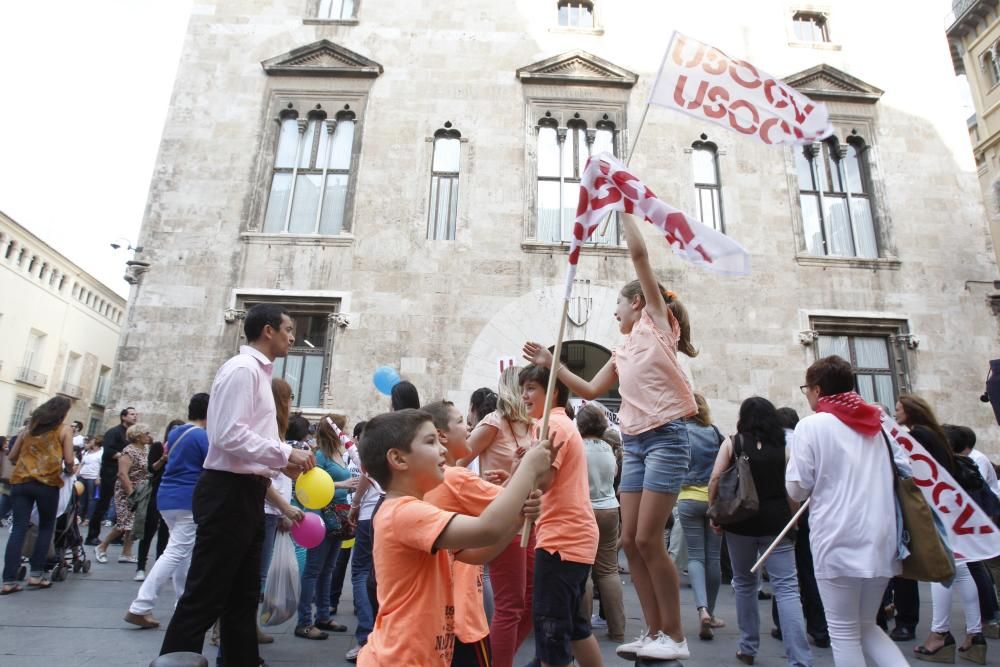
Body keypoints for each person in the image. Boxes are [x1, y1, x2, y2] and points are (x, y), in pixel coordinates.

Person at [523, 212, 697, 661]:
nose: (614, 311)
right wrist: (549, 361)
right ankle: (654, 629)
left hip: (666, 437)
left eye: (618, 304)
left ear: (638, 302)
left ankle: (675, 634)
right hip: (636, 442)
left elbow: (639, 255)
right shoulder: (621, 349)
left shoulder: (657, 324)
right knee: (629, 542)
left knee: (649, 539)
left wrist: (624, 209)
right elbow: (588, 390)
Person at [159, 303, 316, 666]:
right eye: (288, 329)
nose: (292, 337)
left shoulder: (258, 374)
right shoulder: (243, 370)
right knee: (206, 592)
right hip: (227, 492)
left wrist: (278, 462)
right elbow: (228, 435)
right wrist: (282, 452)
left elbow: (245, 440)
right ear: (268, 331)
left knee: (243, 594)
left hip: (246, 491)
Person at [356, 409, 550, 666]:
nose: (440, 449)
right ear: (398, 459)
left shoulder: (416, 507)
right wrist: (528, 469)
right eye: (430, 442)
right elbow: (487, 528)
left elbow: (477, 553)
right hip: (402, 658)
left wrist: (517, 519)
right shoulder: (404, 512)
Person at [786, 355, 909, 666]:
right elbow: (907, 469)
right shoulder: (880, 423)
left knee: (842, 630)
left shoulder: (812, 426)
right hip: (882, 537)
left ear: (817, 389)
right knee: (867, 625)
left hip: (837, 538)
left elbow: (796, 488)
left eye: (807, 388)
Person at [710, 397, 811, 666]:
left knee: (744, 584)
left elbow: (716, 479)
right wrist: (793, 519)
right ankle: (799, 658)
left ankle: (748, 647)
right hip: (777, 522)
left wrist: (715, 512)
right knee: (787, 588)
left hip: (740, 521)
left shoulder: (733, 442)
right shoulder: (785, 446)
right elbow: (792, 491)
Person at [518, 365, 602, 667]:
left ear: (551, 390)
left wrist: (521, 475)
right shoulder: (557, 425)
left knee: (552, 635)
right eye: (523, 388)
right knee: (575, 628)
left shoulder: (552, 427)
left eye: (531, 388)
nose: (524, 395)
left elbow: (544, 483)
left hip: (561, 542)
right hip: (572, 539)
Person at [423, 399, 512, 666]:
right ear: (441, 435)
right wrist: (528, 468)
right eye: (461, 422)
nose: (469, 427)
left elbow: (474, 550)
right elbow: (511, 506)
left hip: (443, 617)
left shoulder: (435, 480)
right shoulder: (455, 478)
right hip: (462, 621)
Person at [459, 367, 535, 667]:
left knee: (531, 602)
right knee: (510, 604)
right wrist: (489, 488)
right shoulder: (494, 422)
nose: (530, 394)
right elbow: (456, 463)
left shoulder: (533, 426)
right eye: (527, 387)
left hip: (530, 520)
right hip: (504, 522)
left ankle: (492, 660)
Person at [900, 395, 985, 663]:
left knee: (943, 569)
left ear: (911, 412)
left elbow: (913, 471)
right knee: (959, 569)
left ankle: (940, 634)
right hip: (946, 506)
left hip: (933, 508)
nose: (896, 411)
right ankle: (975, 634)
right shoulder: (932, 433)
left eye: (900, 409)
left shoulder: (919, 435)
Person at [125, 394, 211, 628]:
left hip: (167, 497)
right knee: (175, 552)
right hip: (188, 499)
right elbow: (211, 466)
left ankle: (183, 604)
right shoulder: (202, 437)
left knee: (183, 551)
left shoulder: (176, 432)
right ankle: (141, 605)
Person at [1, 396, 75, 593]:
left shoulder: (29, 429)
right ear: (62, 413)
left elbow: (12, 456)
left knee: (18, 528)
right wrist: (70, 469)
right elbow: (69, 459)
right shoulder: (64, 430)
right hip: (46, 484)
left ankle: (8, 581)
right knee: (45, 527)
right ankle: (36, 575)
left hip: (21, 482)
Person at [771, 407, 829, 648]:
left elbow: (792, 487)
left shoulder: (774, 444)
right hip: (812, 511)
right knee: (809, 570)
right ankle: (819, 628)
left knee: (784, 574)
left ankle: (784, 625)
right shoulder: (806, 441)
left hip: (787, 512)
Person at [294, 414, 357, 640]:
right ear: (334, 431)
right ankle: (304, 621)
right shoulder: (319, 455)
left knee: (327, 568)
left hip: (338, 516)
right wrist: (343, 484)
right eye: (342, 428)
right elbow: (310, 483)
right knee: (313, 570)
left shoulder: (337, 454)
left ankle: (322, 615)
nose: (345, 432)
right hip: (322, 516)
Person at [258, 390, 306, 645]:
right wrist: (284, 509)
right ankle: (231, 630)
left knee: (258, 574)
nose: (291, 403)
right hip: (266, 511)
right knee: (258, 575)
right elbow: (262, 478)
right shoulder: (269, 432)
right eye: (288, 398)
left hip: (272, 512)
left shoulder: (278, 434)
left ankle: (241, 628)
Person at [577, 402, 626, 644]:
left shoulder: (577, 447)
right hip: (609, 510)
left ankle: (584, 630)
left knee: (584, 572)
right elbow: (615, 474)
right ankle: (617, 630)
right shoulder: (609, 448)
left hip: (585, 509)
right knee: (608, 571)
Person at [677, 393, 725, 641]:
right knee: (713, 557)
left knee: (695, 556)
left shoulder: (679, 432)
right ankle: (712, 613)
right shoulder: (714, 432)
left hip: (686, 498)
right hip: (713, 499)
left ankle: (701, 609)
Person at [345, 420, 380, 663]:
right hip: (384, 513)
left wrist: (355, 504)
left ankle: (366, 636)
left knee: (360, 572)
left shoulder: (372, 450)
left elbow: (366, 475)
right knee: (378, 576)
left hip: (370, 513)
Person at [95, 423, 153, 564]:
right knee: (123, 522)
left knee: (133, 523)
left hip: (141, 489)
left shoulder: (145, 449)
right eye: (146, 433)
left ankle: (126, 552)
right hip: (127, 490)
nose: (149, 436)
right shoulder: (129, 451)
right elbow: (122, 474)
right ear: (138, 436)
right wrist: (131, 493)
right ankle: (102, 546)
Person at [135, 420, 183, 581]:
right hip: (156, 491)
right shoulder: (158, 447)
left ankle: (159, 566)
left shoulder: (182, 449)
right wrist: (163, 459)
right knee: (148, 530)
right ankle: (141, 567)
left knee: (165, 532)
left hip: (172, 492)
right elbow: (151, 468)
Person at [86, 407, 138, 545]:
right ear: (123, 417)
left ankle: (117, 535)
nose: (135, 417)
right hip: (111, 473)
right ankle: (92, 536)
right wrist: (126, 457)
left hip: (125, 474)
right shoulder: (113, 432)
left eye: (135, 414)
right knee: (103, 504)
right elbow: (108, 452)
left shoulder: (132, 435)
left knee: (123, 506)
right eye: (132, 414)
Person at [79, 436, 103, 525]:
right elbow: (82, 463)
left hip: (92, 477)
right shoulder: (87, 452)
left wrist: (98, 477)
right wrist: (77, 474)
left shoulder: (101, 453)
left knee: (91, 499)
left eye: (92, 441)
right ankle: (79, 517)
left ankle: (88, 518)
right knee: (81, 498)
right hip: (83, 476)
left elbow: (101, 466)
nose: (89, 442)